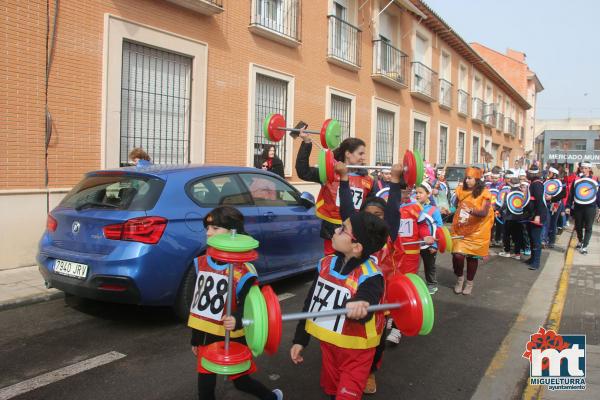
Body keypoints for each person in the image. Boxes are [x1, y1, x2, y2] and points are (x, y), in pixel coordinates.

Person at [290, 212, 389, 400]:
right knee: (332, 391)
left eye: (343, 229)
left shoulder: (371, 276)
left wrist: (361, 305)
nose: (336, 230)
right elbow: (311, 303)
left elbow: (369, 297)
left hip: (356, 353)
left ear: (357, 246)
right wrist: (300, 339)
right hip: (328, 347)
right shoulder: (325, 264)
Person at [189, 206, 282, 400]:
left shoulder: (244, 272)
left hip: (234, 335)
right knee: (205, 386)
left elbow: (252, 305)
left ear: (233, 231)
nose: (208, 233)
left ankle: (270, 397)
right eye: (207, 228)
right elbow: (199, 304)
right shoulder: (202, 263)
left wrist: (237, 319)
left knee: (241, 380)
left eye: (215, 228)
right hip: (207, 336)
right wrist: (196, 338)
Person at [295, 131, 375, 255]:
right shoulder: (328, 173)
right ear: (348, 153)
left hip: (356, 232)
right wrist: (306, 143)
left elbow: (371, 209)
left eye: (364, 153)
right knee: (332, 266)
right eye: (360, 153)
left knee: (352, 268)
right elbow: (303, 171)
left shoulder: (369, 181)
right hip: (332, 231)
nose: (364, 157)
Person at [450, 166, 494, 295]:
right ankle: (459, 278)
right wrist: (447, 210)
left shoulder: (485, 193)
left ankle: (469, 283)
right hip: (462, 227)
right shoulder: (460, 190)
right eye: (466, 178)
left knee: (471, 258)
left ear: (477, 179)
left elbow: (484, 212)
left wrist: (471, 210)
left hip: (478, 230)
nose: (467, 181)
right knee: (457, 255)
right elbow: (455, 206)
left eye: (470, 178)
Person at [566, 162, 600, 254]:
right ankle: (580, 241)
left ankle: (584, 246)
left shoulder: (595, 179)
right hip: (578, 207)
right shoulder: (576, 180)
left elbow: (598, 195)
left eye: (586, 168)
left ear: (589, 169)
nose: (584, 170)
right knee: (578, 226)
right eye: (582, 168)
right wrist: (568, 206)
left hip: (591, 207)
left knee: (589, 227)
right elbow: (571, 194)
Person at [523, 166, 547, 270]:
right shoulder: (533, 184)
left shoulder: (537, 185)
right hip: (531, 214)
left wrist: (538, 215)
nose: (526, 174)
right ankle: (532, 258)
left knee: (536, 239)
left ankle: (536, 262)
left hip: (536, 215)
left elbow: (539, 202)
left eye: (528, 173)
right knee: (532, 238)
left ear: (532, 174)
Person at [498, 178, 525, 260]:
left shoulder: (508, 194)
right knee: (518, 235)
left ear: (511, 185)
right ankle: (517, 254)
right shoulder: (522, 193)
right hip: (519, 217)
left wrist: (498, 211)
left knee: (506, 235)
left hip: (509, 218)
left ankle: (507, 252)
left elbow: (505, 205)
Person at [542, 167, 566, 248]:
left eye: (550, 173)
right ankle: (544, 240)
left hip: (556, 204)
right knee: (546, 222)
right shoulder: (545, 181)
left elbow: (563, 194)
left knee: (553, 223)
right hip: (547, 204)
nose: (548, 174)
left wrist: (551, 198)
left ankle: (551, 241)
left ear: (554, 174)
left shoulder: (561, 183)